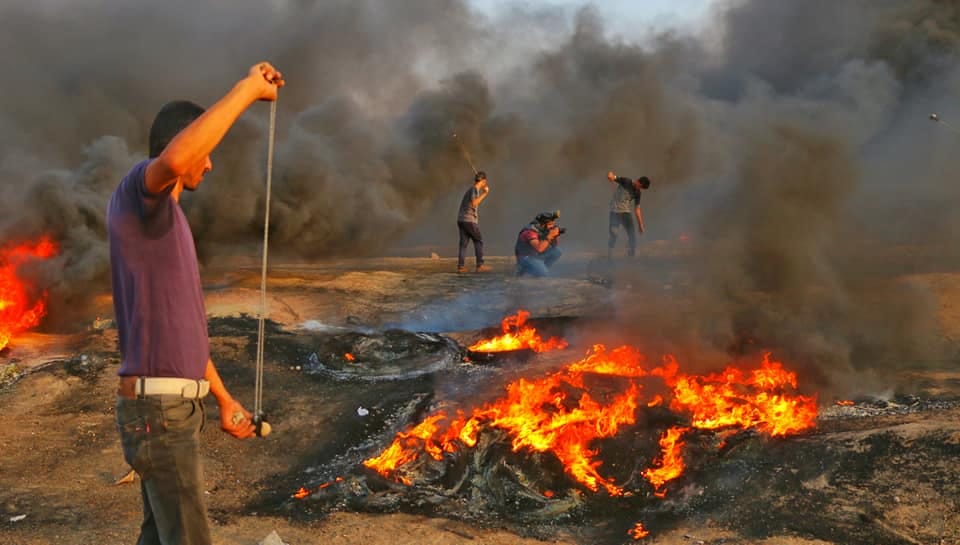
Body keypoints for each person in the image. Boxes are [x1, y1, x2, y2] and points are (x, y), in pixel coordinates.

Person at [108, 62, 284, 545]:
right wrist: (247, 90)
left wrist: (223, 400)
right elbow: (177, 158)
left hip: (170, 411)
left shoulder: (168, 223)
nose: (209, 164)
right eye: (205, 153)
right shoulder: (137, 194)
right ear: (181, 144)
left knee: (159, 535)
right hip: (160, 414)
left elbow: (181, 332)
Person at [606, 171, 651, 258]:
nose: (639, 189)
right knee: (614, 234)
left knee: (632, 234)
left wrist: (641, 225)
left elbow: (637, 209)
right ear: (638, 181)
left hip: (625, 213)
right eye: (640, 186)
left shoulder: (638, 193)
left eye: (641, 188)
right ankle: (610, 255)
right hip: (614, 211)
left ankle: (631, 257)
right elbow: (612, 176)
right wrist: (610, 176)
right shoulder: (626, 181)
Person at [456, 171, 492, 273]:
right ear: (483, 181)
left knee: (463, 244)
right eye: (485, 181)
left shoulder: (471, 189)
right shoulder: (474, 189)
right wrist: (485, 193)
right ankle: (480, 265)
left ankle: (461, 267)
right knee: (478, 241)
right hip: (469, 220)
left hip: (461, 220)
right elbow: (474, 203)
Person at [515, 211, 563, 277]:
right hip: (525, 257)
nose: (552, 226)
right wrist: (550, 236)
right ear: (543, 224)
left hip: (535, 255)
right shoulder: (530, 231)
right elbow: (539, 249)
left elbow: (554, 245)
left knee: (556, 251)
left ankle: (540, 268)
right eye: (550, 224)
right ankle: (523, 270)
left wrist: (555, 236)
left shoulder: (543, 229)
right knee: (543, 273)